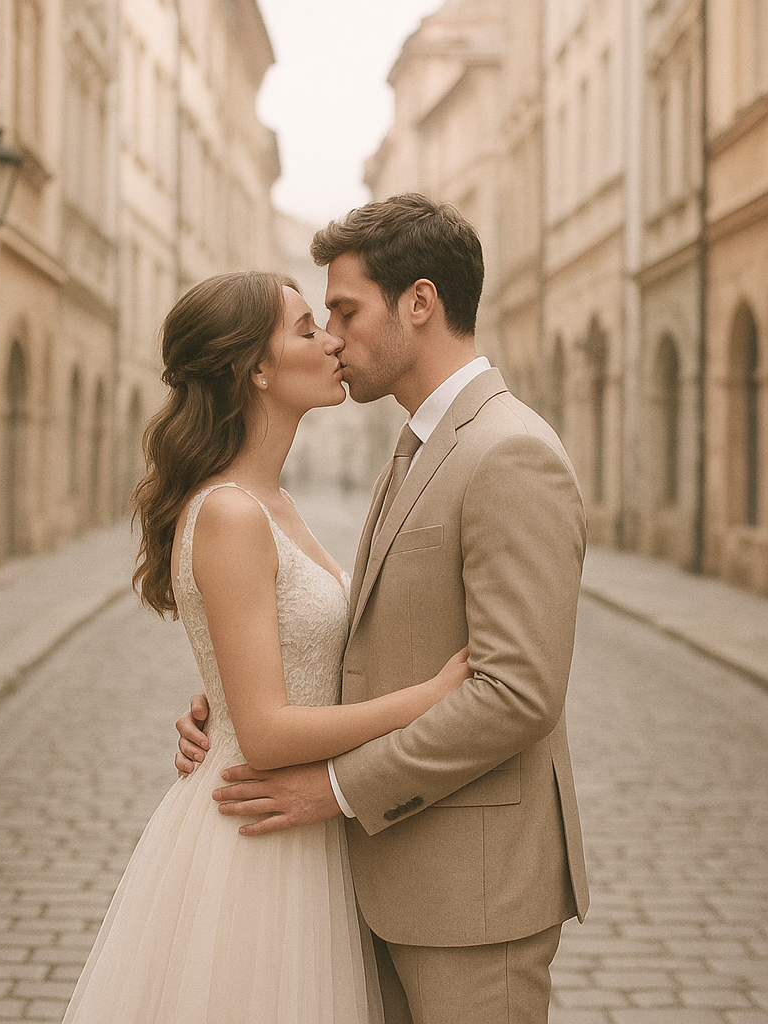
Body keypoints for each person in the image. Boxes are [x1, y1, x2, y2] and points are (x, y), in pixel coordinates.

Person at [176, 194, 589, 1024]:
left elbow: (517, 693)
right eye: (318, 318)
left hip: (470, 900)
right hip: (377, 883)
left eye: (345, 309)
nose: (331, 336)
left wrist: (335, 787)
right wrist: (229, 704)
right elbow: (360, 638)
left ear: (421, 302)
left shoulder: (508, 452)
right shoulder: (419, 444)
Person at [60, 270, 471, 1024]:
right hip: (258, 840)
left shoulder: (273, 504)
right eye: (308, 329)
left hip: (304, 827)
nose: (333, 341)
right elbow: (268, 731)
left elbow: (276, 673)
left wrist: (212, 707)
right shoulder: (230, 513)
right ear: (255, 368)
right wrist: (428, 699)